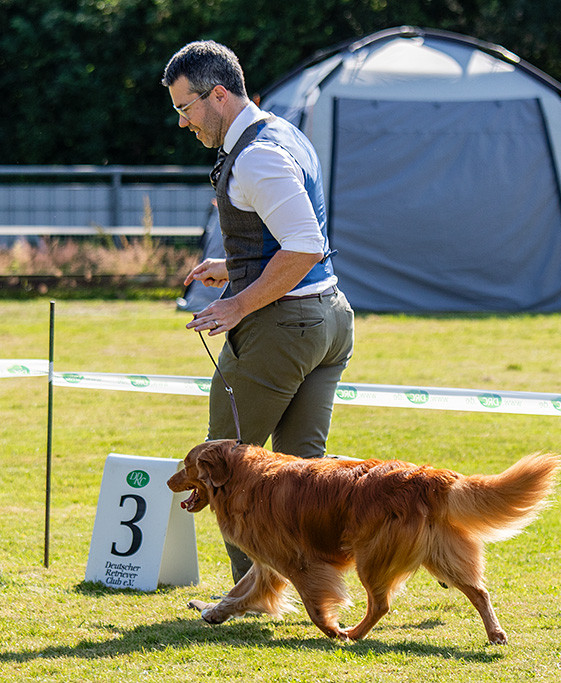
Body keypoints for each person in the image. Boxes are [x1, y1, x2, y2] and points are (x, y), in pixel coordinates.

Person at [162, 40, 354, 583]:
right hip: (328, 318)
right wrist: (234, 265)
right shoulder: (281, 132)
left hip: (285, 327)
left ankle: (248, 595)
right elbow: (289, 238)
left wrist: (237, 304)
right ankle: (317, 584)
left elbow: (304, 246)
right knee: (303, 475)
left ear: (218, 95)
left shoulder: (257, 154)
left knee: (226, 465)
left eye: (185, 108)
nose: (182, 123)